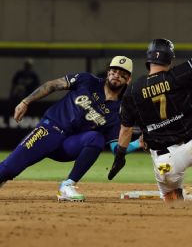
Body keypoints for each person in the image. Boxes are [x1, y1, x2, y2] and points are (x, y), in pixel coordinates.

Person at [108, 2, 192, 201]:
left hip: (166, 160)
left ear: (148, 60)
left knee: (171, 198)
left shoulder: (133, 90)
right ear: (170, 60)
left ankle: (190, 199)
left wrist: (120, 155)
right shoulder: (178, 75)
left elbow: (125, 130)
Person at [0, 56, 142, 201]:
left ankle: (67, 186)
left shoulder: (118, 111)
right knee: (8, 169)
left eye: (122, 73)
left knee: (96, 138)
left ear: (128, 79)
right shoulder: (87, 81)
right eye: (114, 71)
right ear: (108, 72)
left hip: (69, 146)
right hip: (49, 131)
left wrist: (139, 143)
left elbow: (115, 148)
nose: (117, 75)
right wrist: (25, 101)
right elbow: (52, 85)